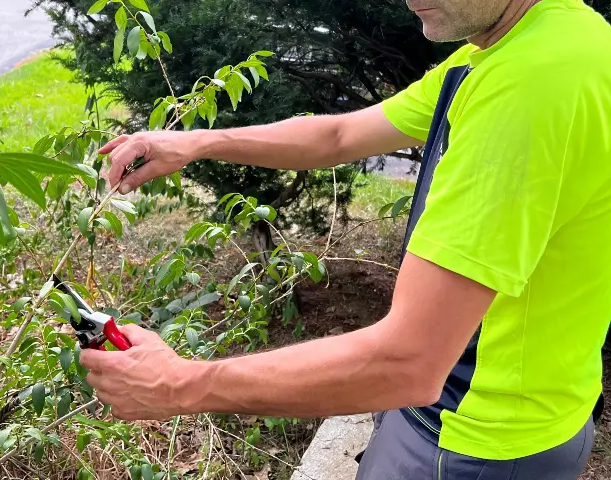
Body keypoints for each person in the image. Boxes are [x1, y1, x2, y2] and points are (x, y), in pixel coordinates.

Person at [79, 0, 611, 477]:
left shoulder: (528, 87)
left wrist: (178, 384)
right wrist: (195, 143)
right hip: (525, 405)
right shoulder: (546, 37)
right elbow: (341, 135)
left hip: (473, 438)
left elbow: (409, 360)